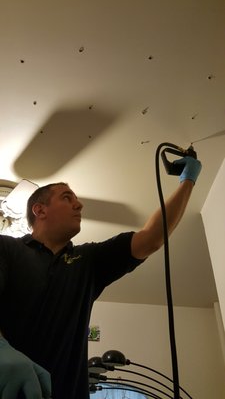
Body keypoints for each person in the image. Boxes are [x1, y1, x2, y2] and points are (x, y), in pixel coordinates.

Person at [0, 156, 202, 399]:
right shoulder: (6, 248)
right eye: (67, 198)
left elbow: (151, 238)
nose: (79, 205)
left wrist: (187, 180)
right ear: (39, 210)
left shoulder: (89, 261)